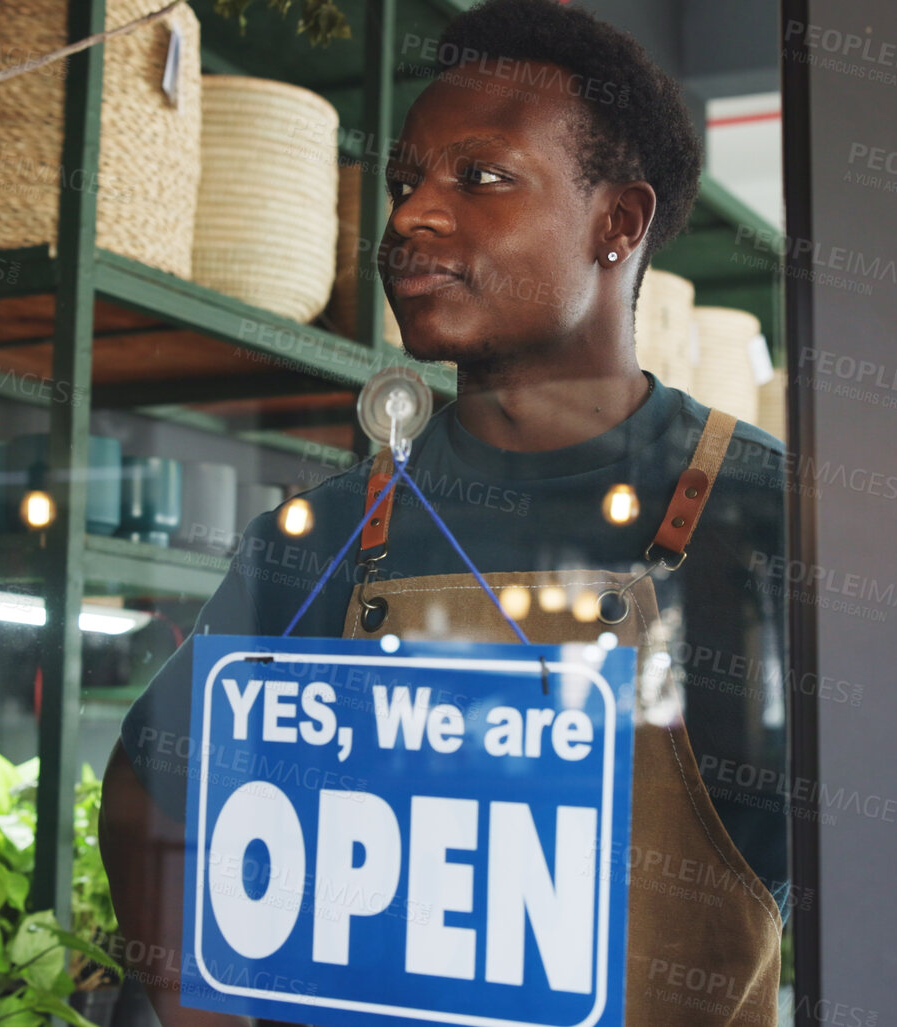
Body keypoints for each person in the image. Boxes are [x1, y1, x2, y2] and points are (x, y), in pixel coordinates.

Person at [99, 1, 789, 1023]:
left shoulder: (768, 522)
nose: (411, 215)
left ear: (620, 222)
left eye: (481, 176)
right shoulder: (330, 533)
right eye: (404, 182)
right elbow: (144, 796)